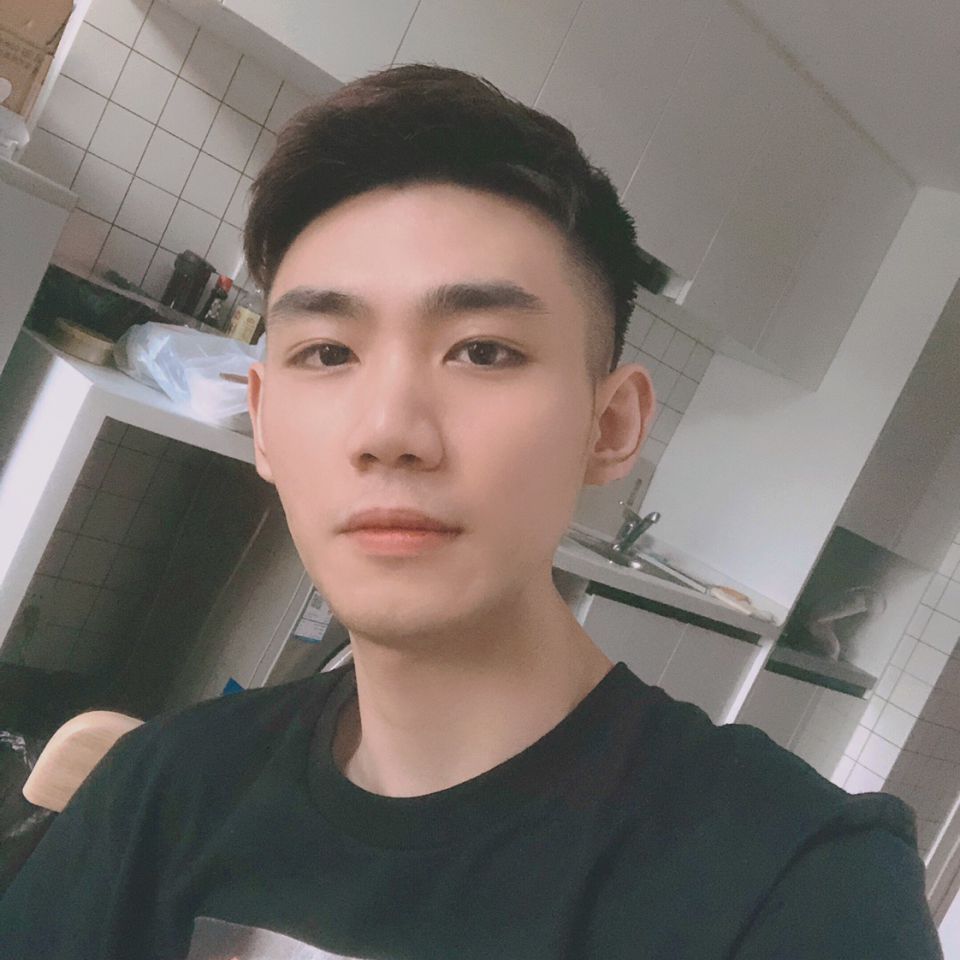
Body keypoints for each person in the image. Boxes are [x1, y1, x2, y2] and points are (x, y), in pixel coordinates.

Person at [0, 63, 943, 959]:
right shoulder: (160, 795)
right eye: (328, 353)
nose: (389, 430)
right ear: (265, 421)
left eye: (483, 351)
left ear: (611, 426)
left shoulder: (796, 883)